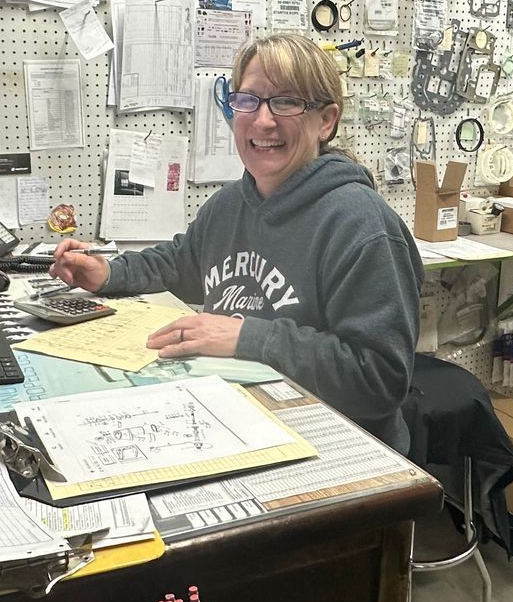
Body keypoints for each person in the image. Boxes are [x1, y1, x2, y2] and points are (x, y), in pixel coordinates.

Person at [52, 31, 422, 451]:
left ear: (327, 121)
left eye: (286, 102)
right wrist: (108, 272)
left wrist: (248, 338)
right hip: (236, 424)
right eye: (248, 100)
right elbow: (181, 262)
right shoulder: (230, 204)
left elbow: (379, 378)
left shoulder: (362, 225)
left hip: (339, 451)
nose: (262, 121)